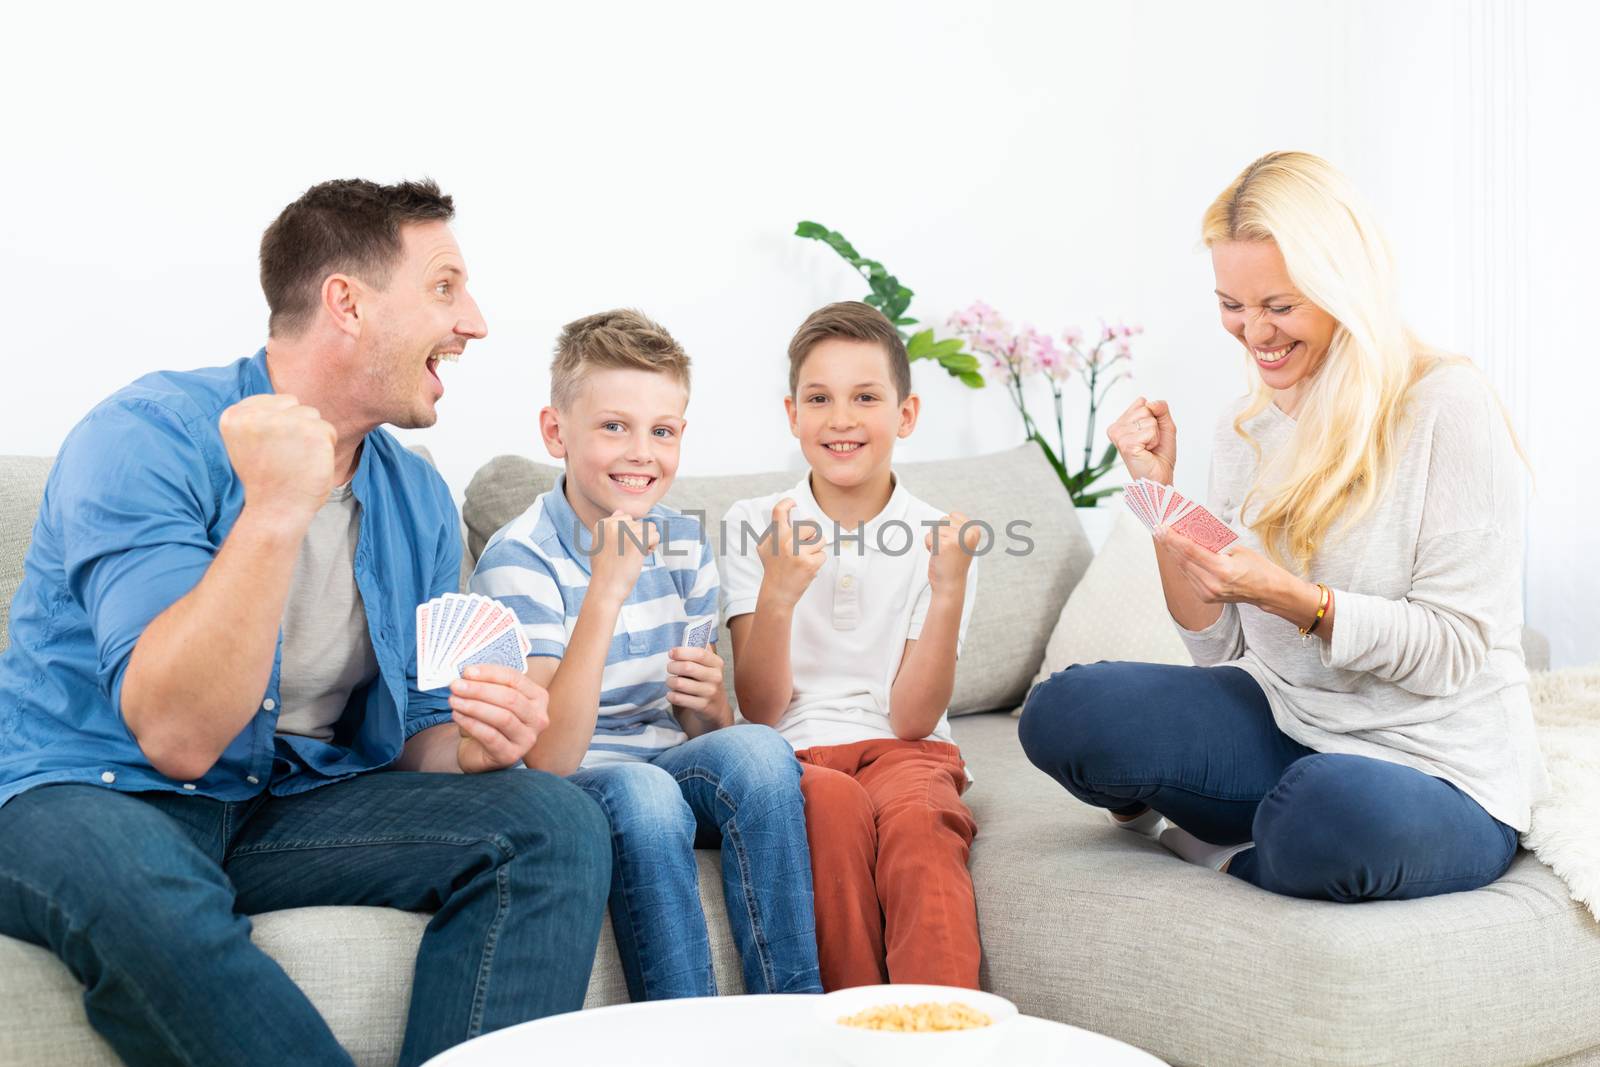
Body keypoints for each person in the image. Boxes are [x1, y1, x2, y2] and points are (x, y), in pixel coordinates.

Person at [0, 179, 611, 1066]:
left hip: (278, 805)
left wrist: (473, 749)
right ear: (346, 303)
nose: (473, 320)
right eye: (444, 287)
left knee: (550, 820)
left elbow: (419, 732)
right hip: (84, 794)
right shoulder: (147, 435)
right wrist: (277, 508)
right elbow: (177, 735)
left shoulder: (419, 497)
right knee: (137, 876)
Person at [1019, 151, 1547, 902]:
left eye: (1279, 305)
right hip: (1286, 724)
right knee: (1064, 712)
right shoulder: (1249, 429)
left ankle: (1224, 850)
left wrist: (1299, 600)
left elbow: (1454, 650)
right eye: (1232, 304)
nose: (1253, 332)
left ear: (1342, 288)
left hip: (1436, 764)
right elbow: (1220, 648)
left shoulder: (1446, 405)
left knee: (1321, 812)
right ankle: (1252, 821)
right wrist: (1159, 497)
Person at [469, 309, 821, 1001]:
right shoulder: (519, 559)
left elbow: (702, 735)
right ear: (555, 432)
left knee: (758, 749)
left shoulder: (685, 542)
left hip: (662, 755)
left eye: (660, 431)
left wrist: (709, 706)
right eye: (613, 426)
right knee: (645, 790)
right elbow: (549, 757)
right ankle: (681, 1030)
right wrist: (605, 592)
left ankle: (794, 1014)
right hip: (575, 779)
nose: (640, 452)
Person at [721, 300, 983, 990]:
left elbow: (912, 720)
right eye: (820, 398)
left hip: (907, 749)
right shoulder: (753, 524)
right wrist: (779, 590)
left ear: (906, 415)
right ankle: (855, 1033)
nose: (841, 418)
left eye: (865, 396)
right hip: (795, 750)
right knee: (832, 813)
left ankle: (946, 1038)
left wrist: (948, 591)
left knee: (923, 823)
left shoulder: (940, 536)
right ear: (792, 415)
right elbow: (760, 707)